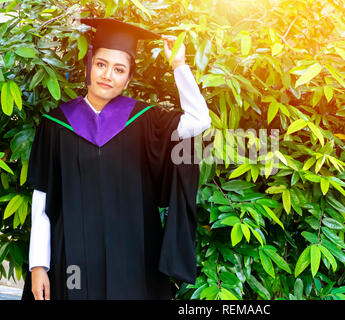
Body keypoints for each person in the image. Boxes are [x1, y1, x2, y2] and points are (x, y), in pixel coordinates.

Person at [21, 18, 211, 300]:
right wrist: (38, 265)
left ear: (128, 78)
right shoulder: (56, 124)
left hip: (134, 260)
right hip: (74, 262)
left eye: (119, 69)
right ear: (89, 65)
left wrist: (179, 66)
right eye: (101, 64)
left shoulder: (145, 121)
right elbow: (42, 199)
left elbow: (199, 121)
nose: (108, 75)